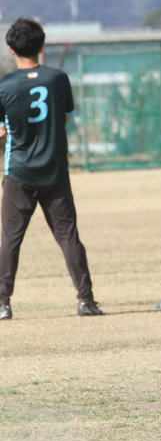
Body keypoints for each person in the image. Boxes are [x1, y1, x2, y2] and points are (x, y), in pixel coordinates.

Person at [0, 17, 103, 319]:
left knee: (10, 238)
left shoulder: (5, 85)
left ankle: (3, 303)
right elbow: (66, 117)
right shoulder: (58, 79)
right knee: (68, 235)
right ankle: (86, 300)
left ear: (10, 49)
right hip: (55, 171)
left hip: (19, 172)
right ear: (42, 46)